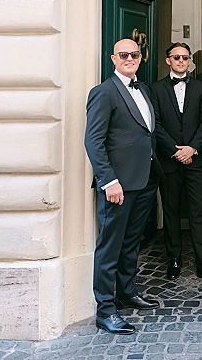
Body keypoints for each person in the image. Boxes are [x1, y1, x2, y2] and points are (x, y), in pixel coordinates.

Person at [84, 39, 161, 335]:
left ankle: (127, 292)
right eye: (124, 55)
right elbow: (94, 141)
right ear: (113, 58)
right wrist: (108, 180)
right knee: (109, 247)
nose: (130, 58)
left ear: (141, 58)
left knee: (131, 242)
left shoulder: (143, 89)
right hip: (117, 185)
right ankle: (105, 310)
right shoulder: (103, 92)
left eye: (135, 54)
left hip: (143, 180)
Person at [149, 42, 202, 285]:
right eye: (176, 57)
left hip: (195, 159)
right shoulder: (156, 88)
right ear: (168, 60)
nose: (181, 61)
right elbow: (155, 124)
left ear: (190, 60)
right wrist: (175, 150)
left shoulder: (201, 88)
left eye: (185, 57)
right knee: (171, 210)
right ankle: (174, 259)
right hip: (169, 160)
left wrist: (192, 148)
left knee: (198, 211)